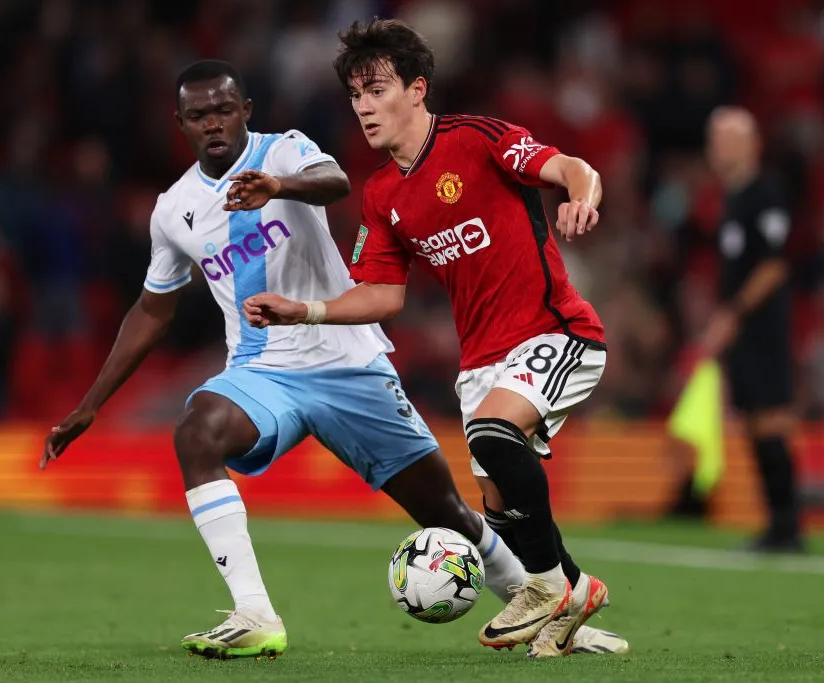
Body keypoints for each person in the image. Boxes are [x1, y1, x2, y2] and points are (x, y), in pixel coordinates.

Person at [40, 60, 626, 661]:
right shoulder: (174, 209)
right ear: (181, 124)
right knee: (196, 432)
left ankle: (557, 613)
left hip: (351, 363)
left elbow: (334, 181)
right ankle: (254, 613)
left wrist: (277, 187)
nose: (213, 123)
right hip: (262, 370)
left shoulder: (287, 151)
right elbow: (151, 310)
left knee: (445, 508)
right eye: (198, 115)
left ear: (245, 110)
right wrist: (90, 405)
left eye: (223, 110)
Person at [242, 20, 611, 658]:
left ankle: (551, 589)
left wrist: (580, 196)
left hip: (557, 330)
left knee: (496, 437)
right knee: (501, 510)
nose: (362, 105)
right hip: (481, 363)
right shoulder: (383, 194)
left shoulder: (478, 138)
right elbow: (383, 294)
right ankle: (572, 606)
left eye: (376, 88)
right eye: (354, 94)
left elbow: (572, 167)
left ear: (417, 89)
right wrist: (301, 310)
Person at [701, 106, 803, 553]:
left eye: (726, 137)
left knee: (770, 421)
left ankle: (787, 526)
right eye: (714, 137)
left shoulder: (765, 194)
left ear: (751, 143)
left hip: (762, 329)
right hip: (745, 333)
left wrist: (732, 315)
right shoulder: (734, 198)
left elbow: (774, 266)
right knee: (754, 423)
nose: (716, 146)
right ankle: (779, 525)